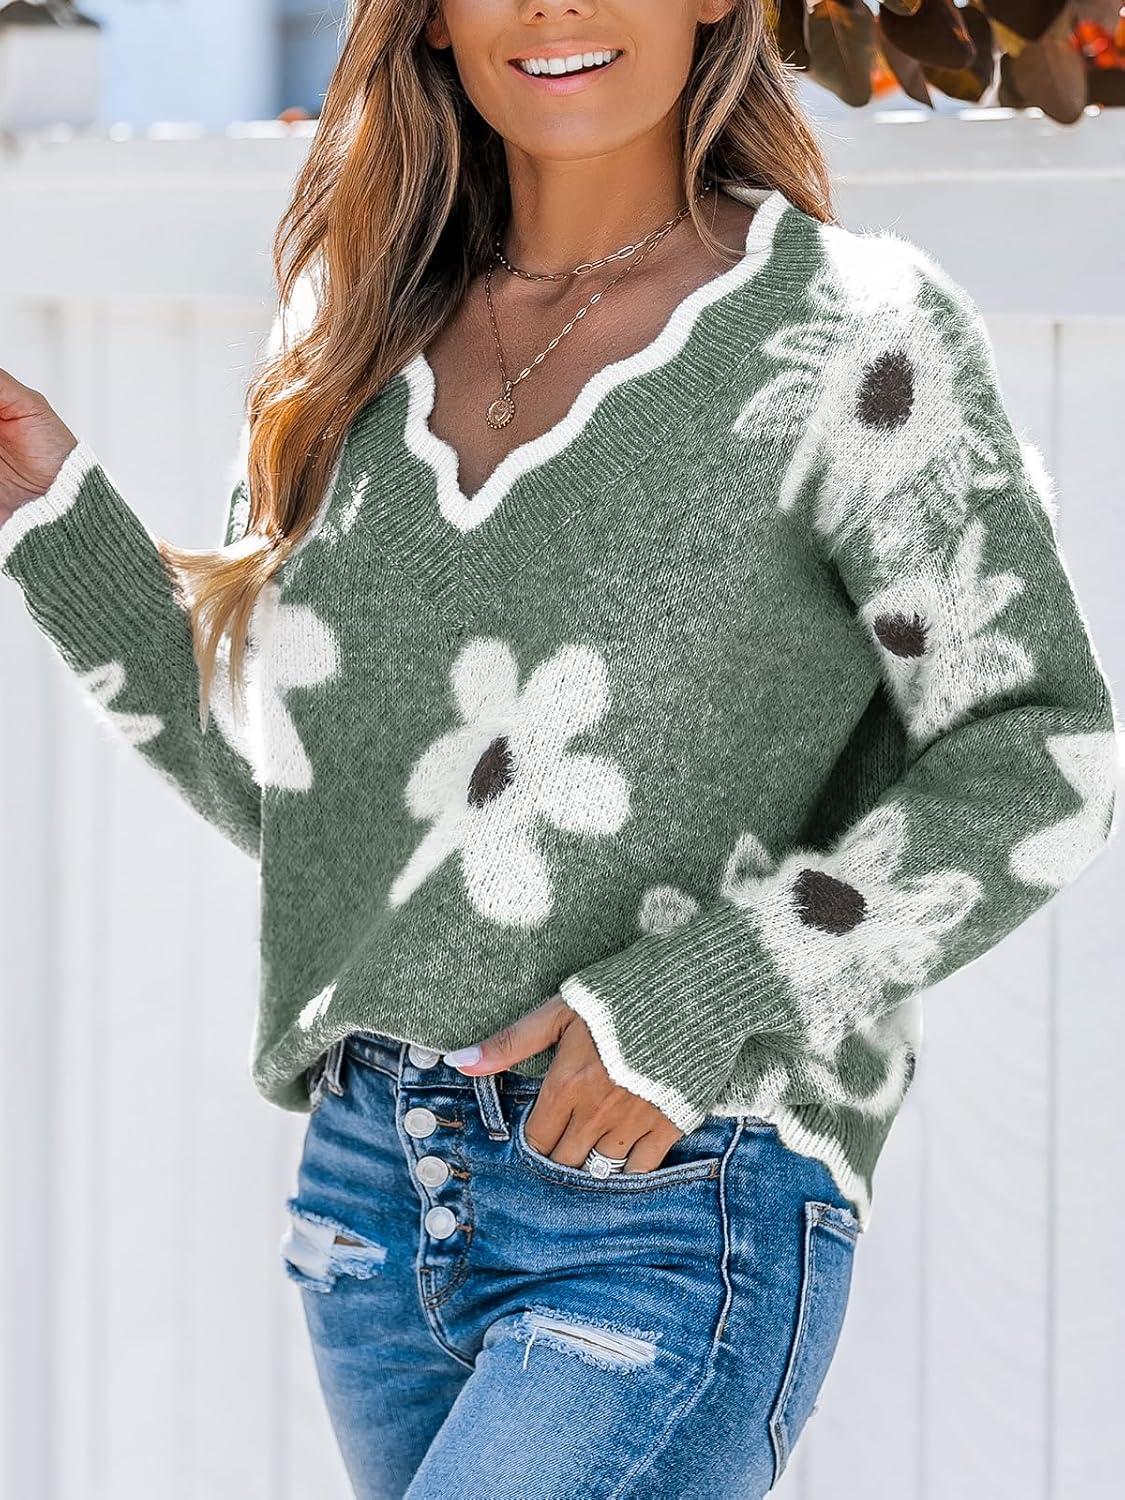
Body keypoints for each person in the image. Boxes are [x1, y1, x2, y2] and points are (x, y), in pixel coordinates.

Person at [0, 2, 1118, 1496]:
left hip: (666, 1196)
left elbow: (1038, 751)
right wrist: (51, 523)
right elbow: (315, 815)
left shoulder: (851, 336)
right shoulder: (349, 336)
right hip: (370, 1196)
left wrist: (703, 993)